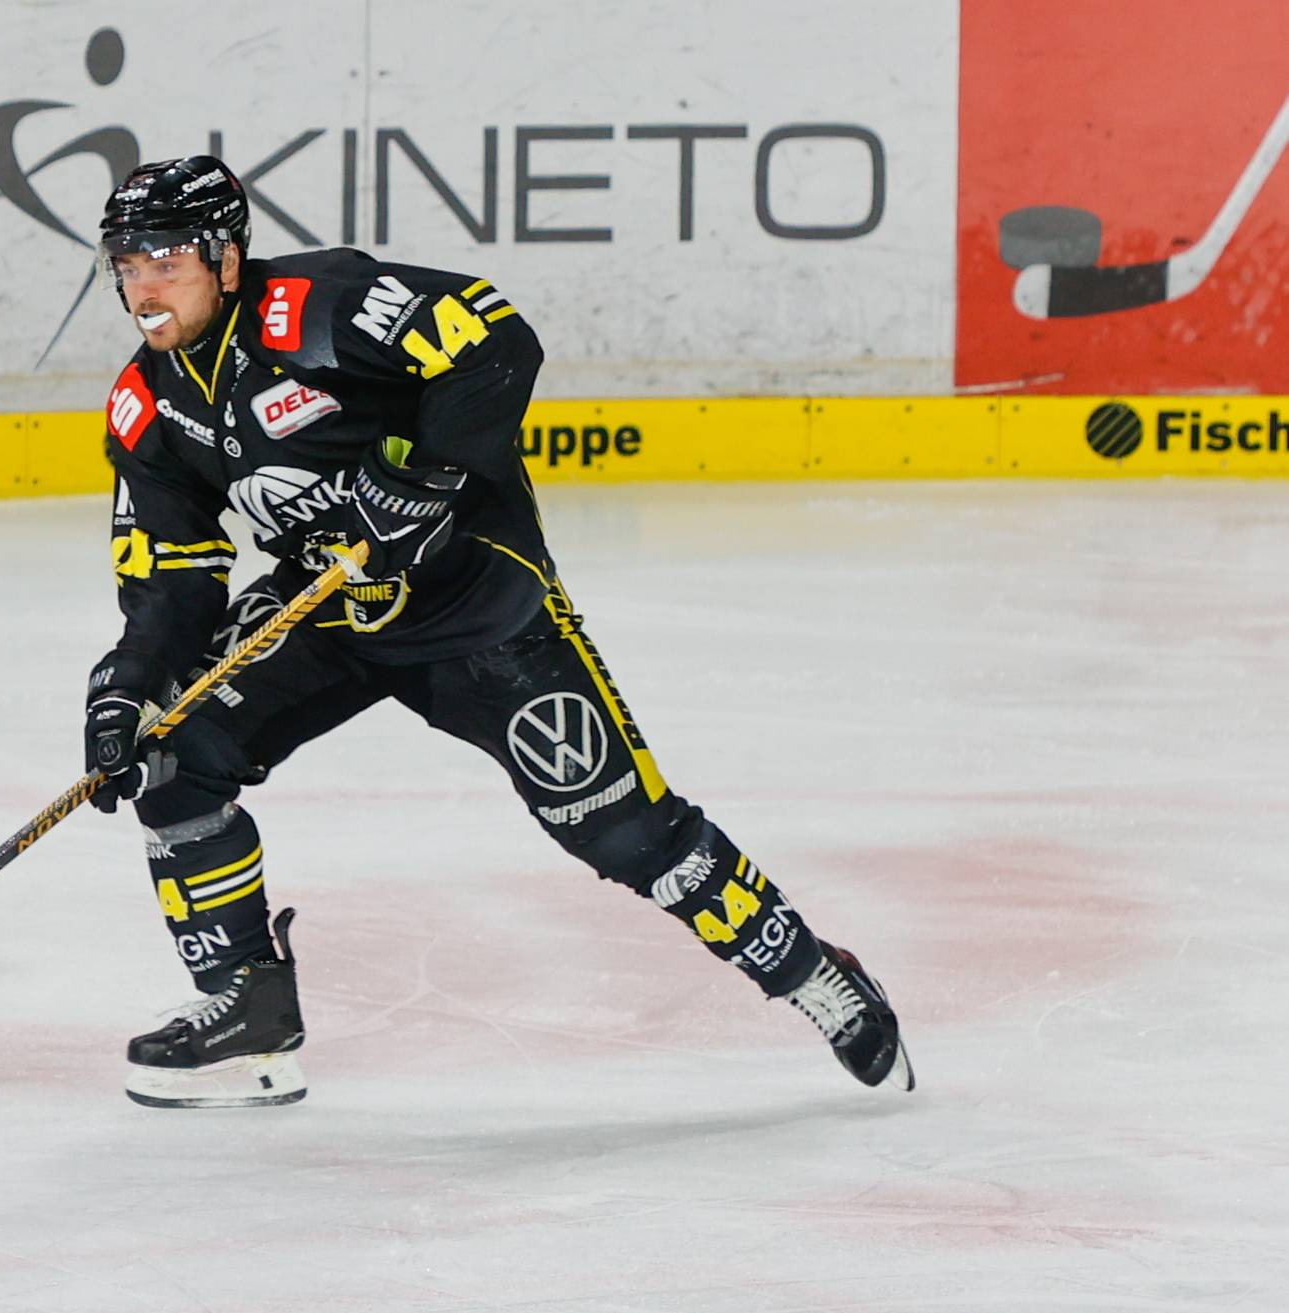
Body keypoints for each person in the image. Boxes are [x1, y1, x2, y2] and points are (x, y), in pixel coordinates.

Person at [82, 155, 913, 1109]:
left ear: (228, 261)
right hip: (331, 608)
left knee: (625, 832)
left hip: (479, 610)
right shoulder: (148, 405)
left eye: (168, 262)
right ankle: (250, 1012)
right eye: (129, 266)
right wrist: (129, 682)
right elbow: (174, 572)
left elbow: (497, 342)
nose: (145, 290)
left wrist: (426, 475)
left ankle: (811, 971)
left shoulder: (318, 309)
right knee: (171, 749)